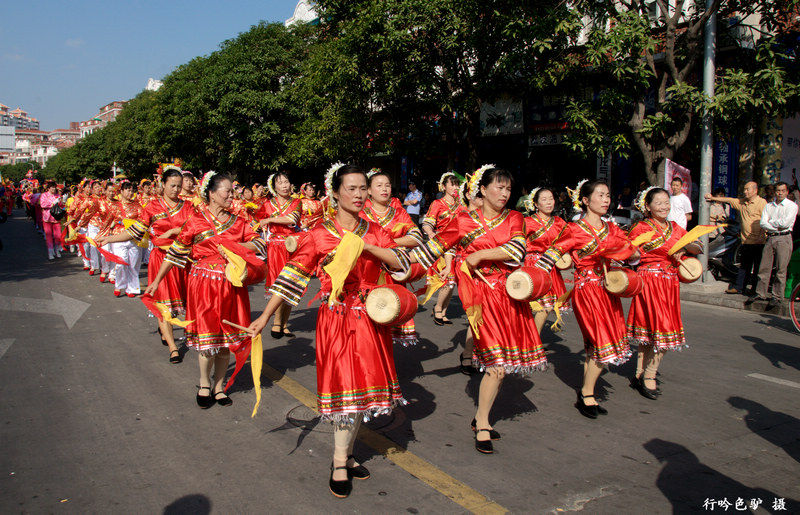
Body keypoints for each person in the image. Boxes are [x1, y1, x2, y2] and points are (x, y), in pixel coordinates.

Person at [248, 163, 409, 499]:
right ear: (334, 193)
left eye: (363, 188)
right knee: (345, 391)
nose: (360, 194)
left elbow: (400, 263)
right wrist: (264, 318)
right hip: (337, 318)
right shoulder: (318, 234)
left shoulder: (375, 230)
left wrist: (363, 247)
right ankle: (338, 459)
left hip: (371, 319)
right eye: (351, 188)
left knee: (365, 392)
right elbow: (291, 278)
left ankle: (348, 455)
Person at [411, 165, 547, 453]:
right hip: (481, 296)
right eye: (499, 187)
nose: (505, 193)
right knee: (497, 365)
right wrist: (401, 267)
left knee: (505, 364)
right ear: (482, 190)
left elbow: (517, 250)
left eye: (509, 188)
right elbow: (433, 248)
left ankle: (481, 417)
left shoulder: (515, 218)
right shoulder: (462, 221)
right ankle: (482, 422)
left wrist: (479, 255)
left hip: (511, 295)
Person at [146, 172, 267, 408]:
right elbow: (175, 253)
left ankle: (219, 386)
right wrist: (157, 280)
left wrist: (232, 245)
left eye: (233, 192)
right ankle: (204, 383)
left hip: (231, 286)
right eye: (227, 191)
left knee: (224, 341)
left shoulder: (239, 221)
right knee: (206, 339)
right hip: (202, 287)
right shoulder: (195, 221)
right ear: (211, 194)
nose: (232, 195)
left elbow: (260, 243)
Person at [535, 179, 639, 419]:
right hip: (587, 291)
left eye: (608, 195)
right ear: (585, 200)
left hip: (609, 291)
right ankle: (586, 393)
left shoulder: (612, 228)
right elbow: (552, 253)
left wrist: (630, 253)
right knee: (602, 343)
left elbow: (631, 254)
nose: (606, 199)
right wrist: (533, 276)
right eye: (600, 195)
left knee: (600, 345)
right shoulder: (574, 229)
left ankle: (587, 391)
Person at [97, 168, 194, 364]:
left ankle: (177, 332)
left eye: (178, 186)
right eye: (172, 185)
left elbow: (196, 229)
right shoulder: (151, 207)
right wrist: (110, 238)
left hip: (183, 259)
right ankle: (174, 348)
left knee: (186, 303)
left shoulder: (189, 207)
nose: (176, 190)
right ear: (163, 185)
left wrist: (175, 230)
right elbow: (136, 231)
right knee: (164, 305)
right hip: (160, 260)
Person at [626, 187, 702, 399]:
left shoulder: (676, 227)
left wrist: (686, 248)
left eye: (666, 202)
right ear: (648, 207)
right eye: (658, 202)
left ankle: (645, 373)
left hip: (669, 284)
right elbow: (629, 255)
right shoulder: (640, 228)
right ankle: (645, 374)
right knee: (651, 331)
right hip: (648, 281)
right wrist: (634, 252)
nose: (664, 206)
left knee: (662, 329)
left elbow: (697, 245)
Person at [361, 169, 425, 345]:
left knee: (388, 322)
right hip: (367, 274)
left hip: (393, 274)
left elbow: (417, 237)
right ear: (368, 190)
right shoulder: (361, 214)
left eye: (387, 185)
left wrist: (386, 244)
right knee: (366, 325)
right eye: (379, 185)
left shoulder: (399, 213)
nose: (384, 189)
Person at [256, 172, 302, 339]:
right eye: (280, 182)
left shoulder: (296, 202)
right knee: (279, 284)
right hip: (275, 248)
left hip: (291, 246)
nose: (284, 185)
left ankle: (284, 323)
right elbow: (257, 222)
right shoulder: (267, 204)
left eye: (286, 181)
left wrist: (269, 220)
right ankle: (277, 321)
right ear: (274, 187)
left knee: (290, 283)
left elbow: (292, 219)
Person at [704, 181, 766, 295]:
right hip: (746, 241)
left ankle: (754, 290)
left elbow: (765, 221)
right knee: (744, 267)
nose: (745, 191)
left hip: (759, 242)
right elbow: (729, 200)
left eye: (748, 189)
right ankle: (739, 287)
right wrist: (712, 197)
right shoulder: (742, 203)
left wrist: (762, 236)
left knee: (758, 267)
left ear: (755, 190)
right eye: (744, 189)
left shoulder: (762, 203)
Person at [522, 187, 569, 335]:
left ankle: (529, 339)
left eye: (551, 199)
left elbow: (570, 241)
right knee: (542, 307)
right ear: (536, 204)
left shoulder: (559, 222)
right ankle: (532, 341)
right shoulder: (528, 222)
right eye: (544, 199)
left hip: (552, 266)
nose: (549, 202)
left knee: (546, 306)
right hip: (535, 265)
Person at [421, 173, 463, 325]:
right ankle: (437, 308)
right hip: (443, 245)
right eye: (451, 184)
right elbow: (427, 223)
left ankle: (444, 311)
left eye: (457, 184)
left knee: (453, 282)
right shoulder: (437, 204)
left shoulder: (462, 204)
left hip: (458, 246)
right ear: (443, 187)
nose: (455, 187)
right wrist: (431, 232)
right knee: (448, 280)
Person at [748, 182, 798, 308]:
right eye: (778, 190)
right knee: (764, 267)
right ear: (775, 192)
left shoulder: (791, 206)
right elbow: (763, 223)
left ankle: (777, 296)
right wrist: (775, 224)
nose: (780, 193)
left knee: (781, 269)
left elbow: (785, 224)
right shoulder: (769, 206)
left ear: (786, 192)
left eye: (782, 191)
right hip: (770, 238)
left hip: (784, 238)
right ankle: (761, 293)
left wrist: (771, 222)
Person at [107, 181, 144, 297]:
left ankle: (132, 288)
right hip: (118, 236)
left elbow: (143, 220)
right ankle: (119, 285)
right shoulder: (114, 206)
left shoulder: (137, 205)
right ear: (121, 191)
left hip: (133, 237)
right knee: (121, 262)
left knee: (133, 264)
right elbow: (107, 221)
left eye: (132, 190)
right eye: (127, 189)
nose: (130, 192)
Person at [38, 181, 65, 260]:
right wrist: (52, 203)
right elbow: (42, 204)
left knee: (58, 236)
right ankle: (50, 252)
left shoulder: (57, 195)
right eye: (52, 187)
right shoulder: (44, 195)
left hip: (56, 218)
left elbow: (61, 205)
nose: (53, 189)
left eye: (54, 187)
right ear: (48, 188)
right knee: (49, 236)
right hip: (47, 218)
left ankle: (57, 250)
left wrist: (62, 202)